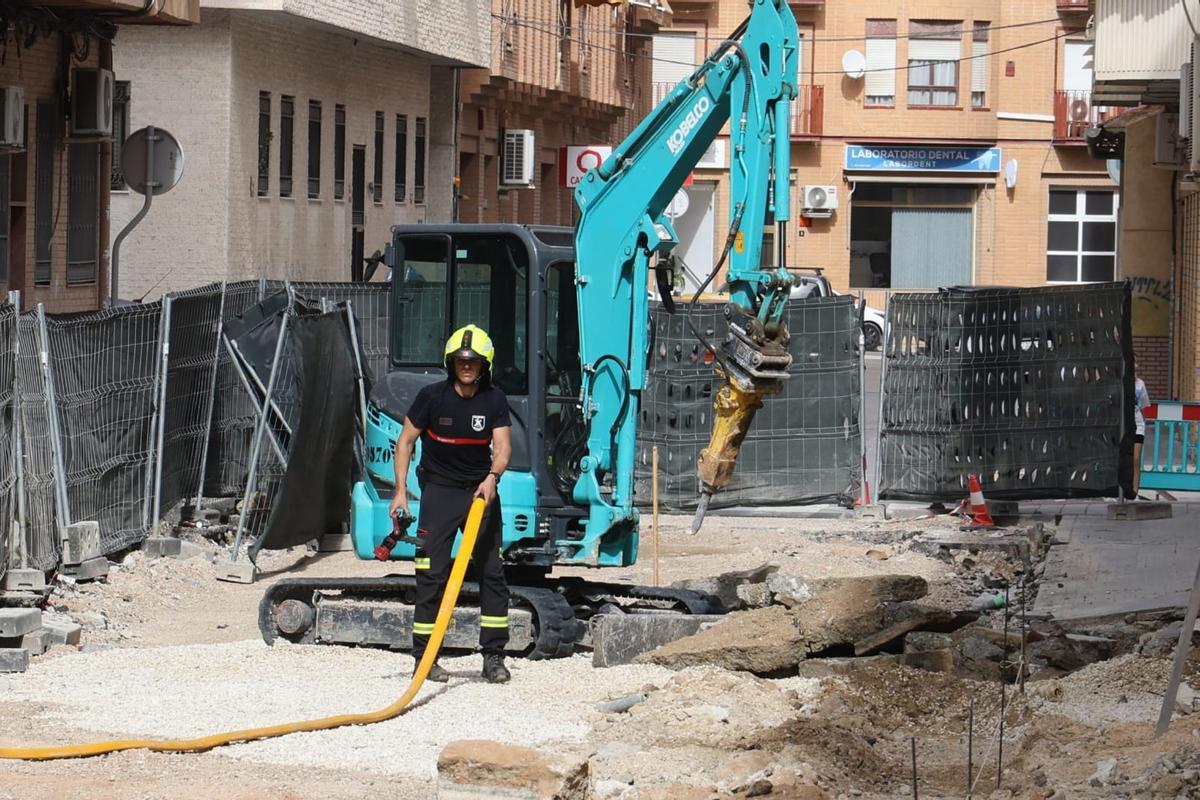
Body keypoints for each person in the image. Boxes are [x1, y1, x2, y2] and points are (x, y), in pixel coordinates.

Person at [389, 324, 513, 684]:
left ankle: (493, 658)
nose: (467, 366)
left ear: (484, 365)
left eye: (473, 361)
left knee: (492, 574)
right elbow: (405, 442)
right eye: (461, 360)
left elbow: (503, 447)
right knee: (431, 575)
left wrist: (492, 477)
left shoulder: (495, 400)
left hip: (481, 493)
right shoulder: (431, 398)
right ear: (451, 363)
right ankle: (425, 659)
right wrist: (400, 490)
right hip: (439, 493)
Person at [1133, 362, 1151, 500]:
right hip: (1122, 425)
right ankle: (1120, 490)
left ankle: (1134, 492)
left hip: (1138, 425)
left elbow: (1144, 405)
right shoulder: (1119, 382)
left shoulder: (1140, 384)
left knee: (1136, 459)